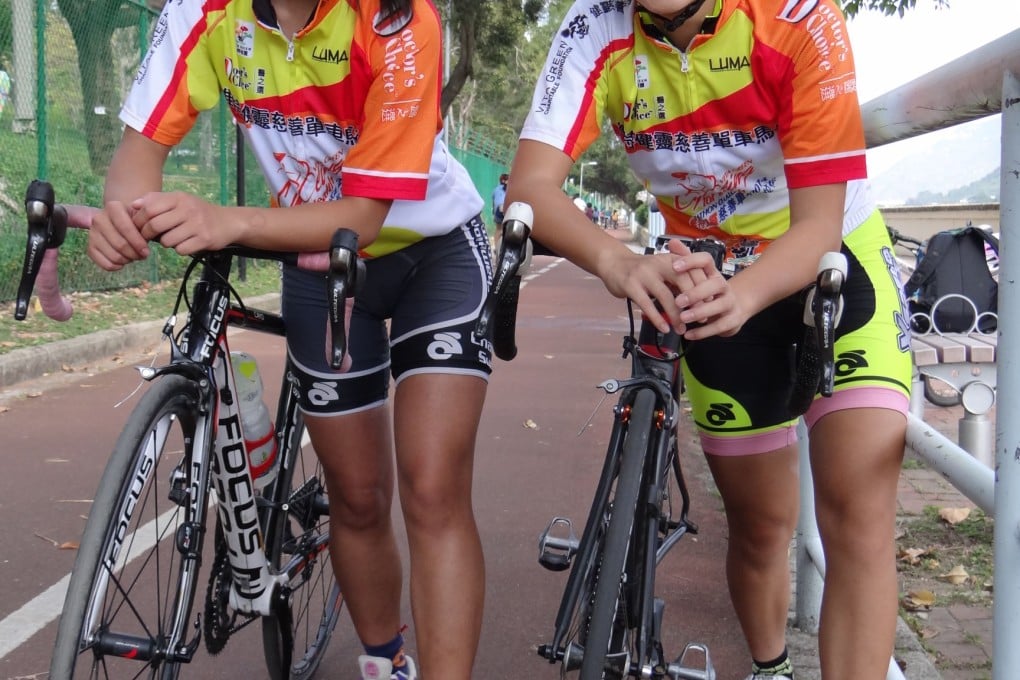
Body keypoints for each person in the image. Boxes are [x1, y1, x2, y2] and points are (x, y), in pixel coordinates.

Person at [86, 1, 493, 678]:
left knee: (431, 488)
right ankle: (387, 663)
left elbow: (363, 217)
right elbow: (139, 154)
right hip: (315, 259)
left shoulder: (397, 19)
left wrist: (230, 221)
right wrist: (121, 218)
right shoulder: (205, 12)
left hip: (433, 254)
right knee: (356, 496)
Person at [506, 1, 912, 679]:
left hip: (830, 259)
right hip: (706, 269)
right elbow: (530, 186)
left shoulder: (798, 17)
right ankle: (772, 669)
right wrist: (618, 262)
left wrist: (745, 295)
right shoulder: (595, 24)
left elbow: (817, 227)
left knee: (859, 515)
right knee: (759, 525)